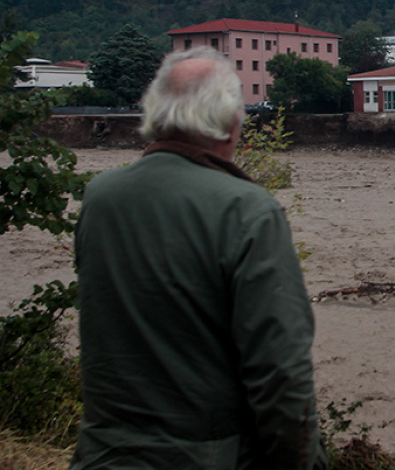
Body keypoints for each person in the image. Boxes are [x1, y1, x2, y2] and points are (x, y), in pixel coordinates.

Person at [72, 47, 326, 470]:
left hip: (104, 454)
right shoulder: (247, 210)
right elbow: (281, 374)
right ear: (230, 125)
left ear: (153, 115)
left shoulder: (100, 198)